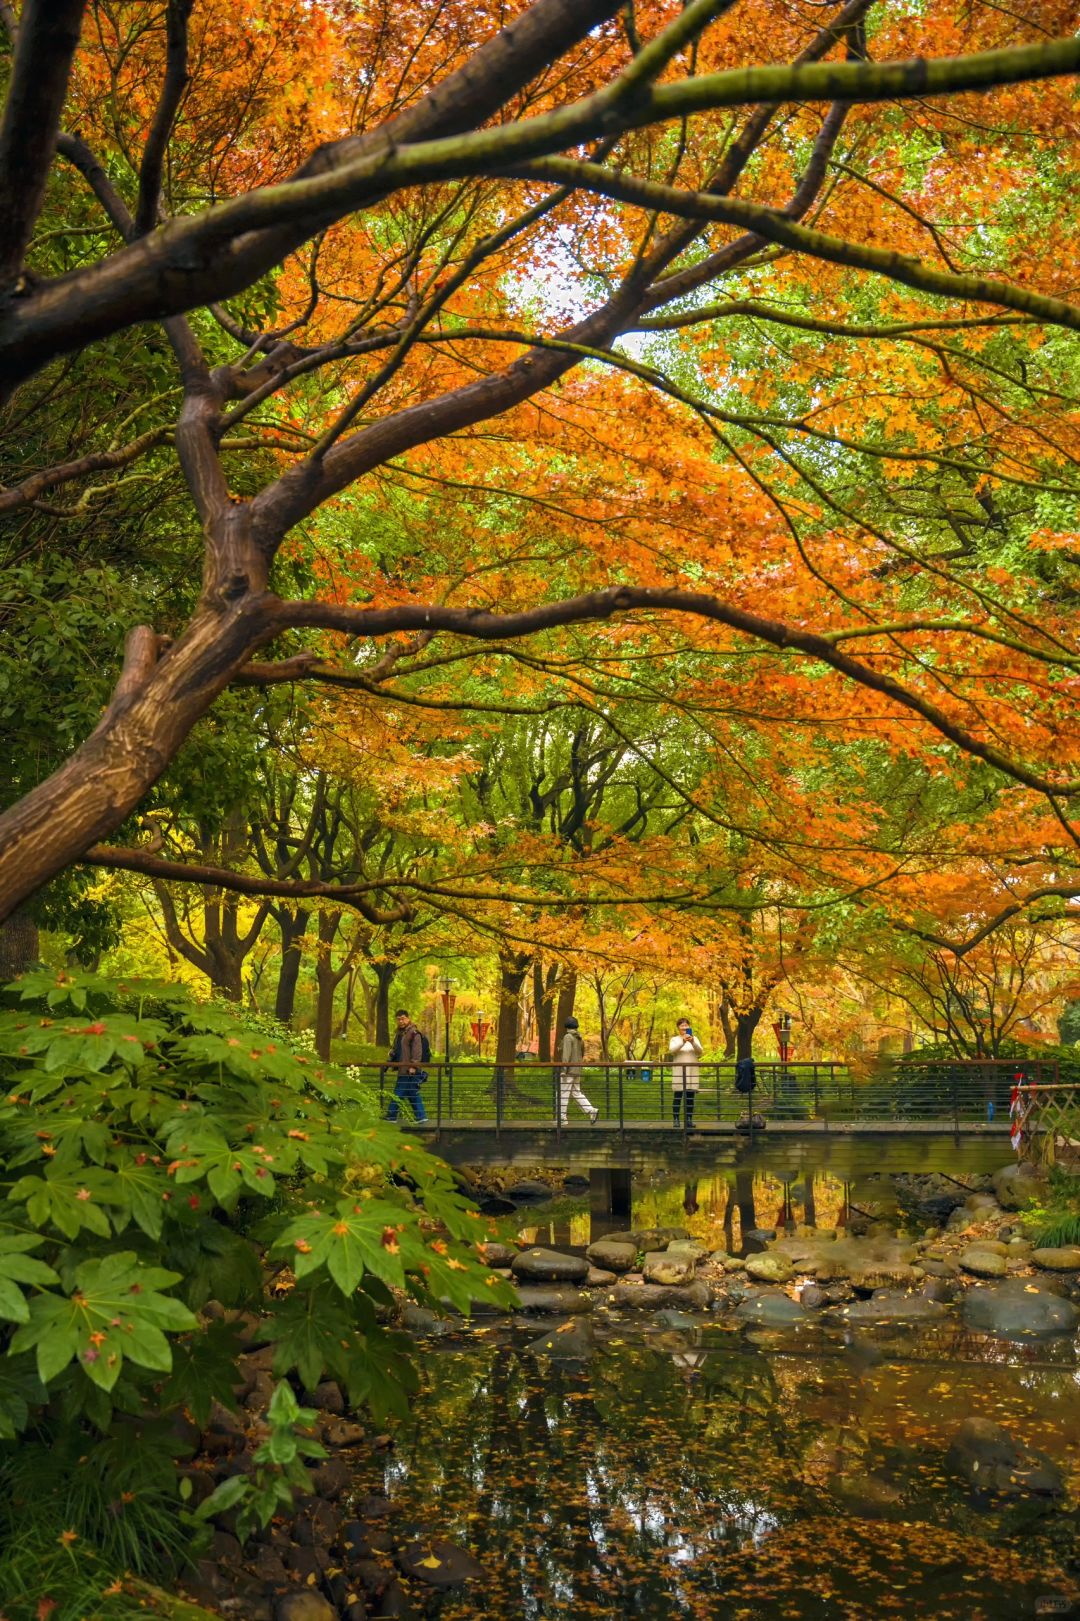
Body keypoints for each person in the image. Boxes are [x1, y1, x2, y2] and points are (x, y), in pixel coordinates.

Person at [385, 1008, 428, 1122]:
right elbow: (398, 1049)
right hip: (402, 1068)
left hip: (409, 1069)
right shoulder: (399, 1034)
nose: (401, 1021)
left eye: (403, 1019)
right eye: (398, 1019)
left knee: (398, 1092)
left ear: (408, 1018)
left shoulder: (414, 1033)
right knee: (412, 1092)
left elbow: (417, 1051)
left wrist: (414, 1066)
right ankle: (421, 1116)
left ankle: (391, 1116)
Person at [559, 1016, 598, 1124]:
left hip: (568, 1071)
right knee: (576, 1093)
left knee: (563, 1093)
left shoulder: (568, 1037)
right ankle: (591, 1110)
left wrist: (563, 1069)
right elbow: (582, 1054)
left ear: (566, 1026)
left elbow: (566, 1055)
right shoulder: (579, 1038)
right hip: (577, 1070)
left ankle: (562, 1118)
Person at [669, 1017, 703, 1129]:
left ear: (689, 1027)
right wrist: (683, 1041)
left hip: (692, 1071)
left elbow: (700, 1052)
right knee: (677, 1096)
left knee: (690, 1097)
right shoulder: (674, 1039)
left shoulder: (695, 1039)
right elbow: (672, 1051)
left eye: (686, 1025)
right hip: (679, 1071)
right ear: (678, 1027)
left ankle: (689, 1119)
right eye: (682, 1025)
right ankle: (676, 1119)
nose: (684, 1027)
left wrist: (692, 1042)